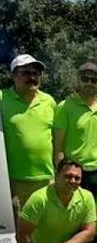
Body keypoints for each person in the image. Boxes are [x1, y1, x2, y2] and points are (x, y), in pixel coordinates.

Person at [1, 54, 56, 222]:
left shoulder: (49, 101)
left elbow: (56, 138)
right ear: (13, 75)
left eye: (36, 73)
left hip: (47, 180)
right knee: (19, 234)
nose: (32, 77)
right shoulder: (2, 98)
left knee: (45, 230)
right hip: (14, 182)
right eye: (26, 73)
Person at [53, 62, 97, 197]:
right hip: (73, 172)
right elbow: (58, 146)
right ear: (78, 80)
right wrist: (61, 173)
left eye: (94, 80)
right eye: (85, 79)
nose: (89, 83)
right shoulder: (64, 107)